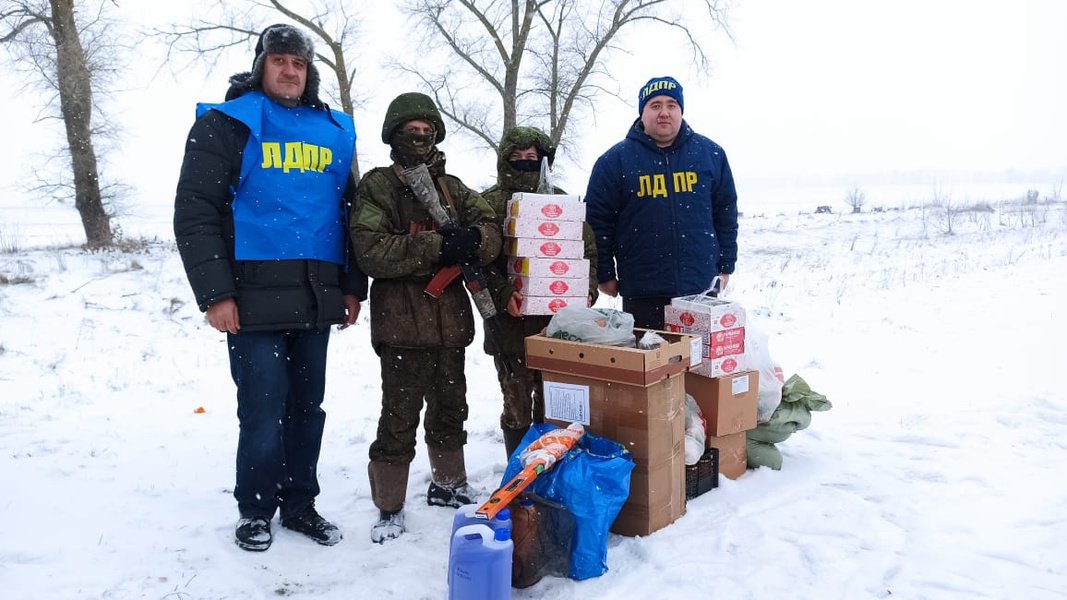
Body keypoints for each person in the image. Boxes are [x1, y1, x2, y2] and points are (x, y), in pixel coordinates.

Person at [173, 23, 366, 552]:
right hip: (250, 295)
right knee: (262, 407)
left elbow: (351, 213)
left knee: (309, 408)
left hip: (317, 294)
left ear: (310, 73)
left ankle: (300, 503)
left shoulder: (334, 130)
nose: (289, 70)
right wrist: (216, 294)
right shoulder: (226, 125)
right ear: (261, 65)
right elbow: (196, 213)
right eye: (279, 60)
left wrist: (352, 287)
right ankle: (255, 509)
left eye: (298, 63)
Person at [350, 92, 502, 543]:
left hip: (451, 324)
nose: (419, 137)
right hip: (402, 327)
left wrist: (472, 240)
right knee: (398, 418)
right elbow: (371, 251)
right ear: (393, 135)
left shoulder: (453, 189)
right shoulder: (378, 186)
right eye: (409, 131)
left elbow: (492, 229)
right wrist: (436, 246)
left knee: (451, 409)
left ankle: (449, 484)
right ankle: (389, 505)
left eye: (426, 130)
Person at [480, 126, 598, 457]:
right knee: (515, 401)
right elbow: (478, 263)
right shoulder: (488, 203)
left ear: (544, 160)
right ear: (504, 160)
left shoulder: (562, 203)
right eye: (516, 157)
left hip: (557, 327)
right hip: (508, 327)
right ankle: (518, 472)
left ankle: (551, 465)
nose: (524, 163)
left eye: (531, 157)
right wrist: (504, 294)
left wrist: (585, 291)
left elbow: (585, 252)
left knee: (556, 402)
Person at [585, 76, 739, 330]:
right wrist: (605, 274)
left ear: (681, 111)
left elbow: (725, 213)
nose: (664, 113)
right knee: (652, 366)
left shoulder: (710, 155)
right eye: (655, 105)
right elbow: (597, 223)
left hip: (700, 289)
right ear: (642, 113)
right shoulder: (614, 162)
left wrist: (726, 264)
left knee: (697, 367)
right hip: (644, 291)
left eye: (671, 105)